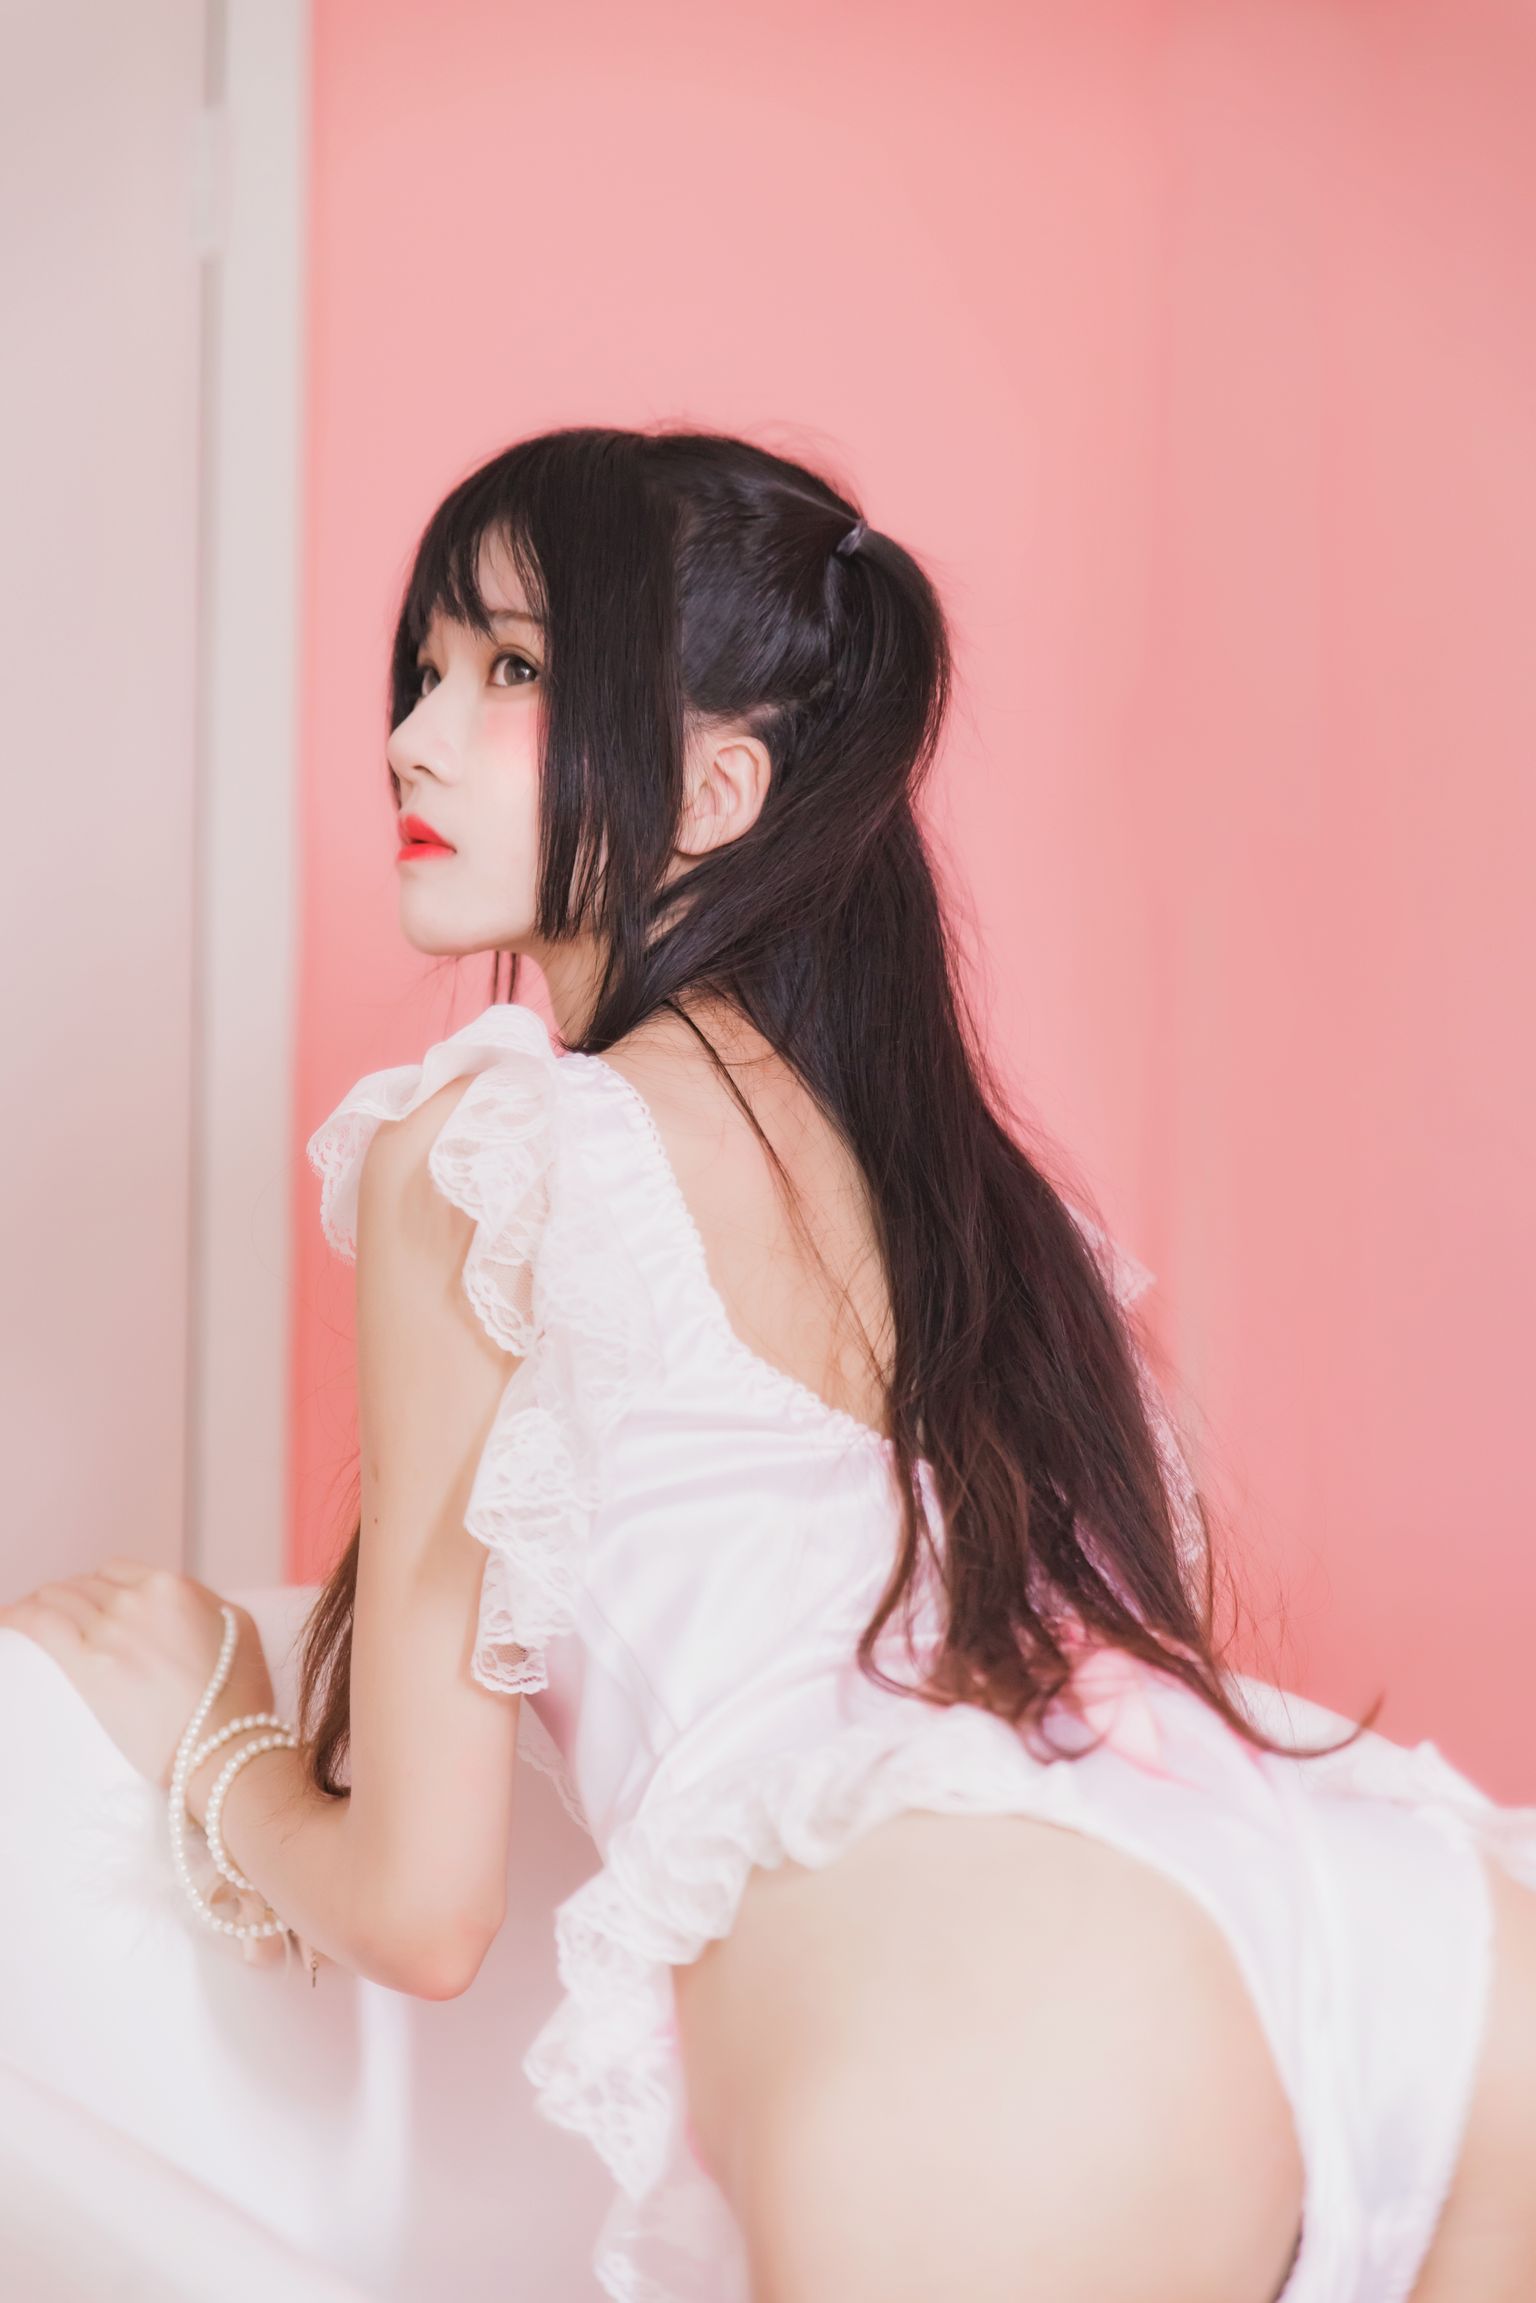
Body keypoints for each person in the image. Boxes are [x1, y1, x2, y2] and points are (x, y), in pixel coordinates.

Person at [6, 424, 1536, 2303]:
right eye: (425, 668)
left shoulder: (492, 1153)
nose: (409, 736)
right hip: (1401, 1932)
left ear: (720, 788)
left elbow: (420, 1908)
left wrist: (219, 1740)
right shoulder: (1001, 1219)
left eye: (511, 670)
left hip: (994, 1988)